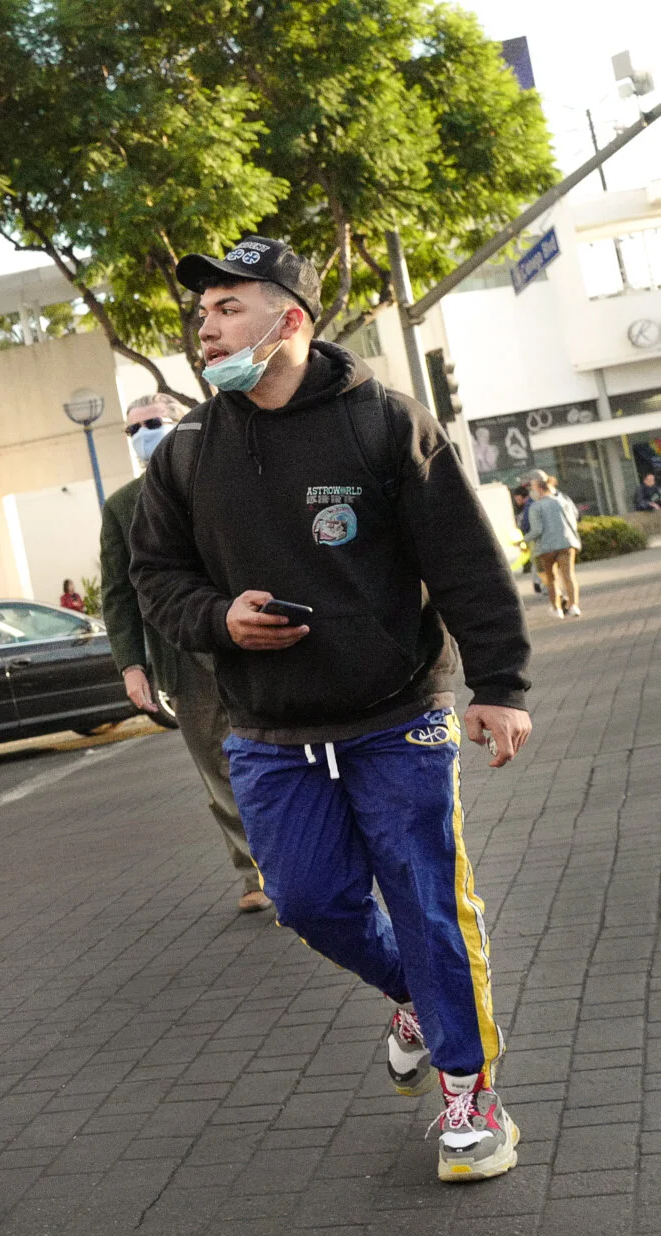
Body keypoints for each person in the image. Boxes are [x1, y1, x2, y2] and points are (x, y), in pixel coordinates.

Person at [131, 235, 533, 1185]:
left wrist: (502, 686)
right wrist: (219, 618)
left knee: (430, 901)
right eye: (203, 312)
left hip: (399, 715)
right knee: (308, 901)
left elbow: (465, 562)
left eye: (229, 306)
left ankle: (470, 1097)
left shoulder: (385, 424)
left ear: (291, 318)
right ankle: (416, 999)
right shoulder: (189, 453)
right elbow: (157, 580)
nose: (207, 326)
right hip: (270, 732)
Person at [96, 391, 269, 914]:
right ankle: (253, 875)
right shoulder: (123, 505)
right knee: (218, 769)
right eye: (132, 429)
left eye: (152, 422)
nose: (142, 434)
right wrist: (131, 665)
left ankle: (304, 861)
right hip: (182, 661)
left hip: (253, 642)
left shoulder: (226, 474)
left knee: (277, 751)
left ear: (180, 423)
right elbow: (118, 594)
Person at [522, 469, 582, 618]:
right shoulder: (563, 501)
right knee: (569, 575)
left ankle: (557, 609)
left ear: (537, 487)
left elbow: (537, 530)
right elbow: (574, 519)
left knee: (551, 579)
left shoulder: (535, 506)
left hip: (546, 547)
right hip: (567, 543)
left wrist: (523, 540)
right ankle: (574, 606)